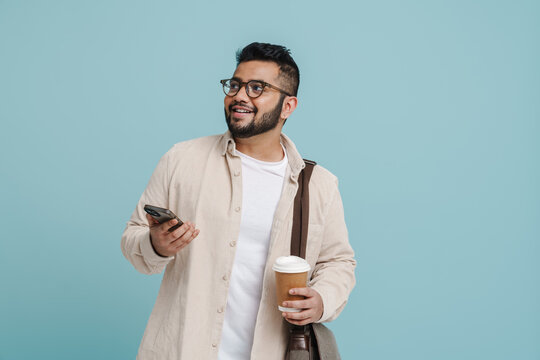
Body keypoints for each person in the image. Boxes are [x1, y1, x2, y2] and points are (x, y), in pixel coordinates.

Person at [121, 42, 356, 360]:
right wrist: (156, 244)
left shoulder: (318, 185)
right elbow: (133, 240)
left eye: (257, 88)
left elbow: (338, 262)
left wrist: (322, 299)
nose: (240, 96)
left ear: (288, 106)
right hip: (183, 349)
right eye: (235, 85)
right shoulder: (181, 160)